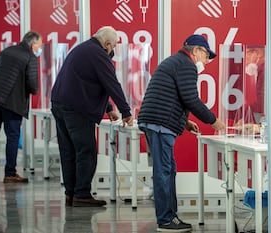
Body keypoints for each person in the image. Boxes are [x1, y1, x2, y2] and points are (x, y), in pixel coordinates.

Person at [138, 34, 225, 232]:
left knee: (168, 171)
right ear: (196, 51)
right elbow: (191, 99)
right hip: (159, 124)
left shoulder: (175, 61)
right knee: (163, 172)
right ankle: (166, 219)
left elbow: (170, 96)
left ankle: (170, 216)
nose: (206, 62)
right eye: (205, 56)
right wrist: (214, 121)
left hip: (156, 121)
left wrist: (184, 122)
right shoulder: (186, 65)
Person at [51, 26, 133, 207]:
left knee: (69, 151)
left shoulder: (83, 49)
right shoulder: (98, 54)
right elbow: (112, 83)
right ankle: (82, 194)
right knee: (86, 151)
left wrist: (109, 107)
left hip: (59, 104)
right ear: (107, 43)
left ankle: (71, 194)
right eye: (114, 46)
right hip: (75, 109)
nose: (113, 50)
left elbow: (90, 82)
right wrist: (126, 112)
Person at [0, 31, 42, 183]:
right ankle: (10, 173)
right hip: (12, 103)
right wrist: (34, 91)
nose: (39, 49)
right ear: (33, 44)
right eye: (39, 46)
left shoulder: (6, 51)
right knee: (12, 137)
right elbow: (32, 84)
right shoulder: (30, 57)